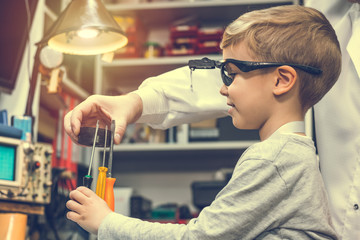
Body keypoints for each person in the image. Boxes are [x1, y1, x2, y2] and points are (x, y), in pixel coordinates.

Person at [65, 5, 342, 239]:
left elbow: (197, 237)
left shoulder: (274, 159)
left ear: (282, 80)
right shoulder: (296, 156)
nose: (222, 89)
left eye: (231, 73)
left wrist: (106, 222)